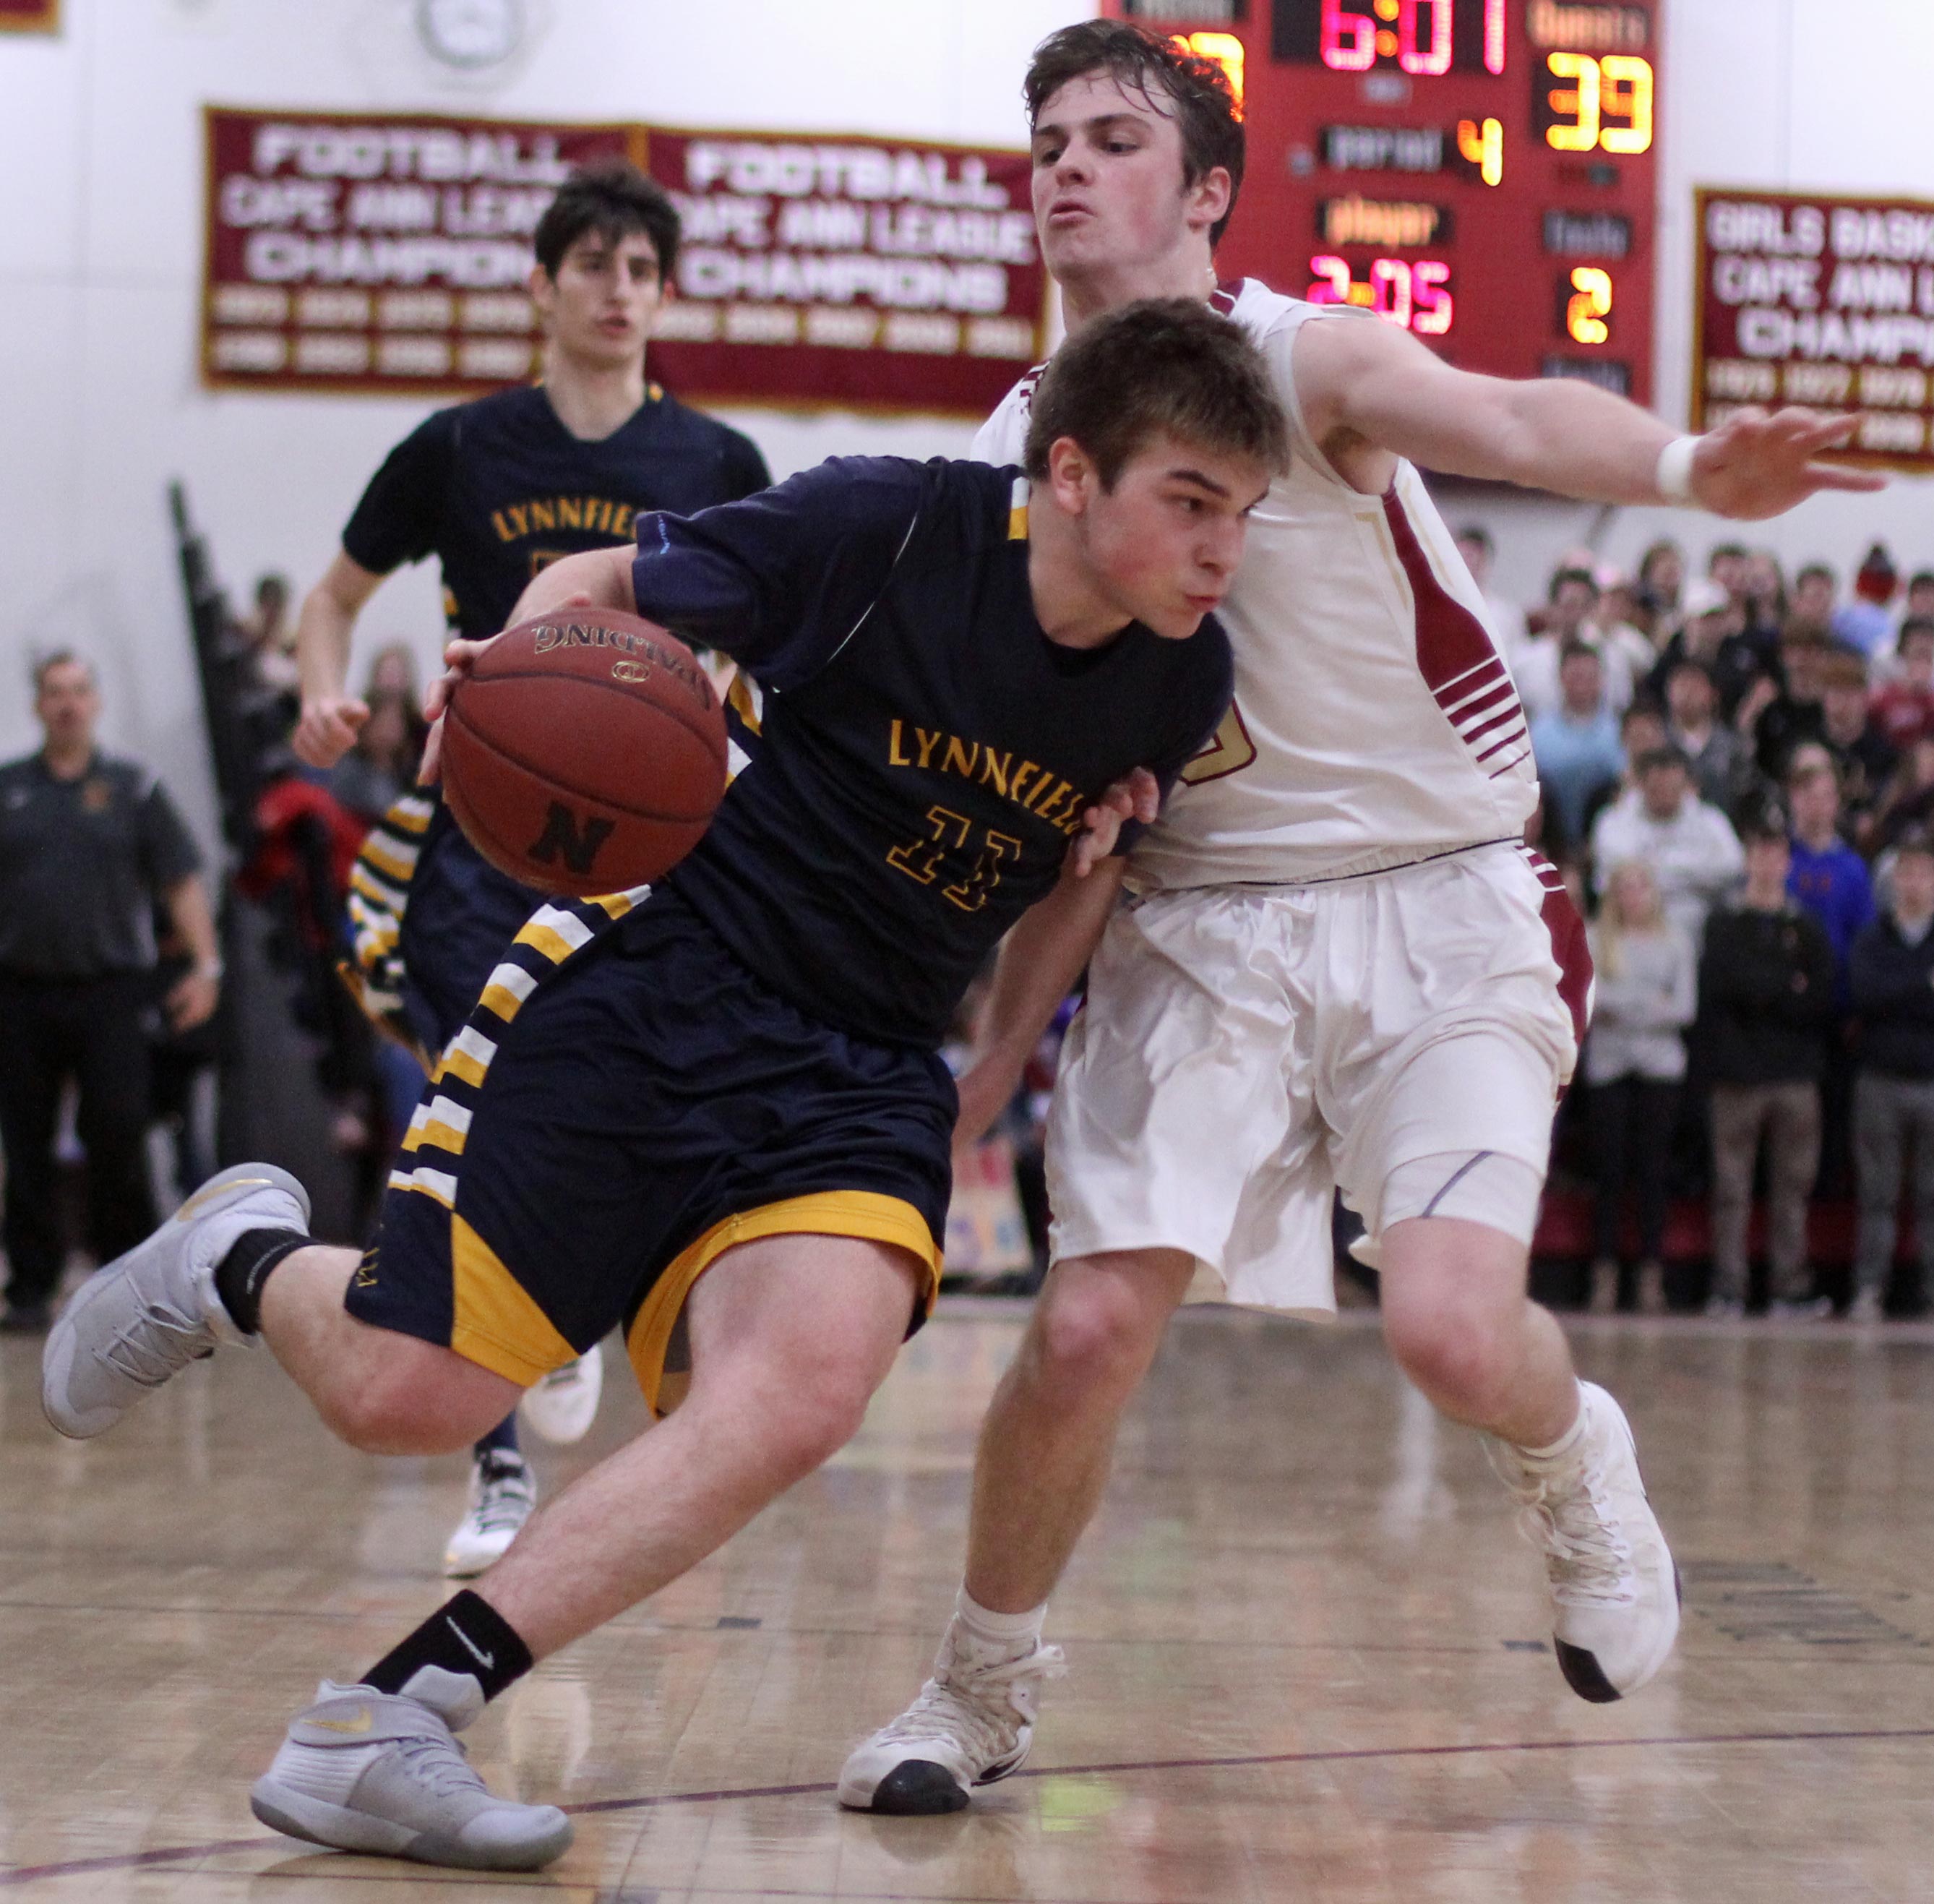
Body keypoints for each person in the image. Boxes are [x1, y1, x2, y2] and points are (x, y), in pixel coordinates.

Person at [40, 296, 1283, 1873]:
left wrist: (992, 1061)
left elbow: (1080, 872)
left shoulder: (1180, 677)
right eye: (1192, 501)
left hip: (861, 1068)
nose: (1223, 549)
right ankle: (237, 1257)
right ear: (1076, 473)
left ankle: (391, 1718)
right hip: (661, 981)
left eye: (1245, 513)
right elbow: (604, 581)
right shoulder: (887, 528)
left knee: (804, 1387)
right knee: (409, 1399)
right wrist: (514, 667)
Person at [838, 19, 1880, 1816]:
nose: (1067, 164)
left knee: (1452, 1332)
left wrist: (1690, 466)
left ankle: (1575, 1459)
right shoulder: (1011, 458)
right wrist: (991, 1050)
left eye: (1112, 138)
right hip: (1197, 923)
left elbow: (1510, 417)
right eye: (1049, 139)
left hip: (1437, 893)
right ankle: (976, 1685)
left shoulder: (1299, 354)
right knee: (1080, 1333)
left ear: (1209, 192)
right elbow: (1077, 800)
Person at [291, 158, 773, 1576]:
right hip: (479, 835)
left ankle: (565, 1309)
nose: (620, 291)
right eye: (595, 266)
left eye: (644, 271)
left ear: (663, 295)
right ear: (541, 285)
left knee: (615, 1096)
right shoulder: (459, 448)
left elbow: (781, 640)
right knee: (471, 1110)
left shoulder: (717, 465)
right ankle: (497, 1459)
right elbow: (331, 599)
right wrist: (322, 693)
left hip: (651, 845)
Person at [0, 654, 220, 1333]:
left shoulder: (133, 787)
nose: (68, 704)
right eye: (55, 693)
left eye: (78, 691)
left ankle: (124, 1279)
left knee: (119, 1130)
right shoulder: (9, 789)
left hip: (111, 992)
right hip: (21, 992)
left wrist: (207, 968)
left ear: (95, 702)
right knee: (26, 1140)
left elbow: (180, 880)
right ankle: (31, 1287)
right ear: (38, 706)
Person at [1701, 815, 1836, 1317]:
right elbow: (1722, 987)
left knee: (1792, 1191)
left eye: (1776, 852)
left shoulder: (1807, 927)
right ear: (1747, 858)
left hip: (1795, 1076)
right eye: (1759, 851)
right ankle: (1728, 1287)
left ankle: (1788, 1286)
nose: (1767, 862)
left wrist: (1762, 990)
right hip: (1736, 1076)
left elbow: (1819, 998)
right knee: (1730, 1189)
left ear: (1788, 861)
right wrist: (1783, 985)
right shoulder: (1723, 923)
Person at [1583, 860, 1695, 1314]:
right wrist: (1650, 1001)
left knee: (1653, 1173)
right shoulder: (1596, 938)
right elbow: (1591, 1001)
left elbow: (1684, 1009)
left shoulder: (1676, 941)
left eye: (1640, 887)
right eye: (1624, 888)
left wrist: (1623, 1004)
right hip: (1609, 1069)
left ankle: (1652, 1276)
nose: (1633, 896)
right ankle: (1604, 1276)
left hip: (1660, 1071)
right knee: (1608, 1173)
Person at [1848, 826, 1934, 1322]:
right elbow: (1864, 996)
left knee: (1931, 1195)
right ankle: (1869, 1289)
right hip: (1880, 1079)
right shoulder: (1873, 938)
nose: (1915, 882)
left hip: (1930, 1080)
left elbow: (1885, 997)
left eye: (1924, 872)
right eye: (1908, 872)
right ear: (1895, 879)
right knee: (1876, 1195)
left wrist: (1897, 993)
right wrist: (1922, 987)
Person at [1590, 746, 1745, 945]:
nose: (1666, 796)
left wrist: (1657, 868)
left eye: (1673, 789)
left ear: (1686, 785)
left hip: (1699, 926)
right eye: (1658, 789)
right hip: (1628, 930)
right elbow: (1610, 879)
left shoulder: (1710, 820)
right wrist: (1695, 875)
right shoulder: (1613, 822)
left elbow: (1734, 866)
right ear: (1641, 784)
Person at [1529, 642, 1624, 851]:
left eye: (1589, 677)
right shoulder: (1538, 732)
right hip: (1551, 843)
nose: (1582, 685)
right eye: (1575, 676)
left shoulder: (1618, 731)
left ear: (1601, 679)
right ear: (1561, 678)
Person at [1664, 657, 1751, 816]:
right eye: (1681, 685)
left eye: (1695, 686)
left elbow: (1743, 790)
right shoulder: (1658, 742)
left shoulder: (1731, 745)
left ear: (1713, 694)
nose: (1687, 693)